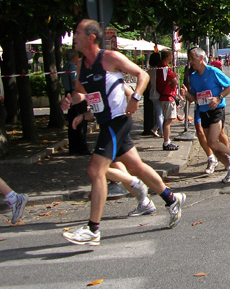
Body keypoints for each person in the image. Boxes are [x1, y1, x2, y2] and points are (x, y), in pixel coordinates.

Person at [61, 19, 186, 246]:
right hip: (106, 121)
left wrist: (136, 98)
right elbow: (83, 94)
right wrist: (72, 101)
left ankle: (93, 229)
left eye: (77, 32)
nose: (73, 36)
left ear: (91, 37)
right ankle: (171, 198)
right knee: (136, 167)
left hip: (118, 121)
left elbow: (143, 75)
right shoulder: (82, 65)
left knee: (95, 169)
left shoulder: (109, 58)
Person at [181, 47, 230, 183]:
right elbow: (194, 98)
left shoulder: (213, 72)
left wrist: (218, 98)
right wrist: (186, 93)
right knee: (213, 146)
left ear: (202, 58)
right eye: (189, 59)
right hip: (203, 111)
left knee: (212, 141)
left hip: (217, 110)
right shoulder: (193, 76)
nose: (190, 62)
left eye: (193, 58)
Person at [61, 50, 91, 155]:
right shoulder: (72, 67)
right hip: (76, 94)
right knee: (80, 123)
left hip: (70, 94)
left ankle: (73, 147)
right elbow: (75, 82)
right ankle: (81, 147)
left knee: (72, 122)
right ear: (74, 57)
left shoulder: (65, 66)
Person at [156, 49, 179, 151]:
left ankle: (167, 141)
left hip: (163, 96)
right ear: (168, 57)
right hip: (168, 96)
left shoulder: (160, 67)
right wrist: (176, 78)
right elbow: (175, 81)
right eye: (171, 56)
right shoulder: (166, 68)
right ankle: (166, 141)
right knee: (168, 120)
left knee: (167, 119)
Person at [148, 51, 163, 138]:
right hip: (160, 92)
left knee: (160, 113)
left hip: (153, 93)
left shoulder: (150, 71)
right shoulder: (161, 70)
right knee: (161, 113)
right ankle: (161, 130)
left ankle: (156, 128)